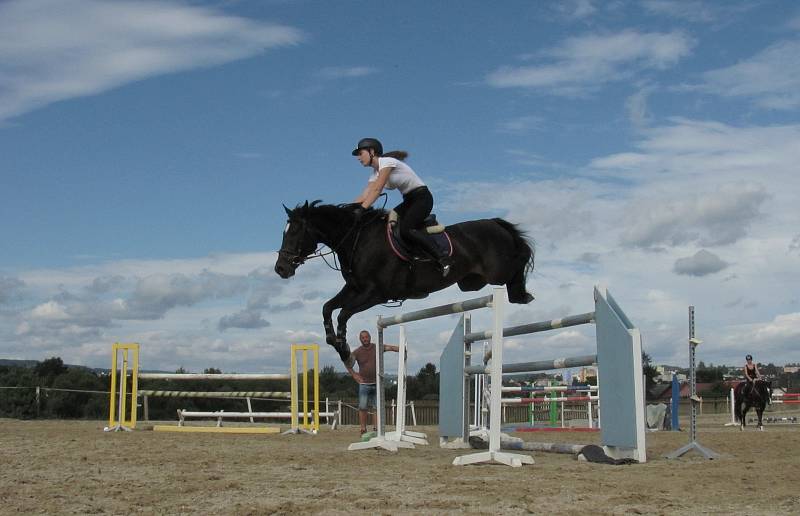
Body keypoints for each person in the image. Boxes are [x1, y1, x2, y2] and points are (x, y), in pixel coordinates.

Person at [351, 137, 454, 276]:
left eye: (360, 153)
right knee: (386, 225)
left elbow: (376, 190)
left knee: (407, 229)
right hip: (409, 201)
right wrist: (346, 210)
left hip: (422, 198)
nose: (358, 157)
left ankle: (443, 258)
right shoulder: (374, 173)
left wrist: (362, 209)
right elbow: (364, 195)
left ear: (372, 151)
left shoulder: (386, 163)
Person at [345, 329, 398, 436]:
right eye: (363, 338)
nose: (365, 339)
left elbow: (390, 348)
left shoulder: (377, 347)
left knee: (376, 407)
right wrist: (354, 375)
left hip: (377, 383)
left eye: (366, 337)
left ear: (370, 337)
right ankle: (363, 429)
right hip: (364, 384)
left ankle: (376, 429)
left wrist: (401, 349)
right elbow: (347, 363)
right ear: (360, 340)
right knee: (363, 407)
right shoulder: (357, 351)